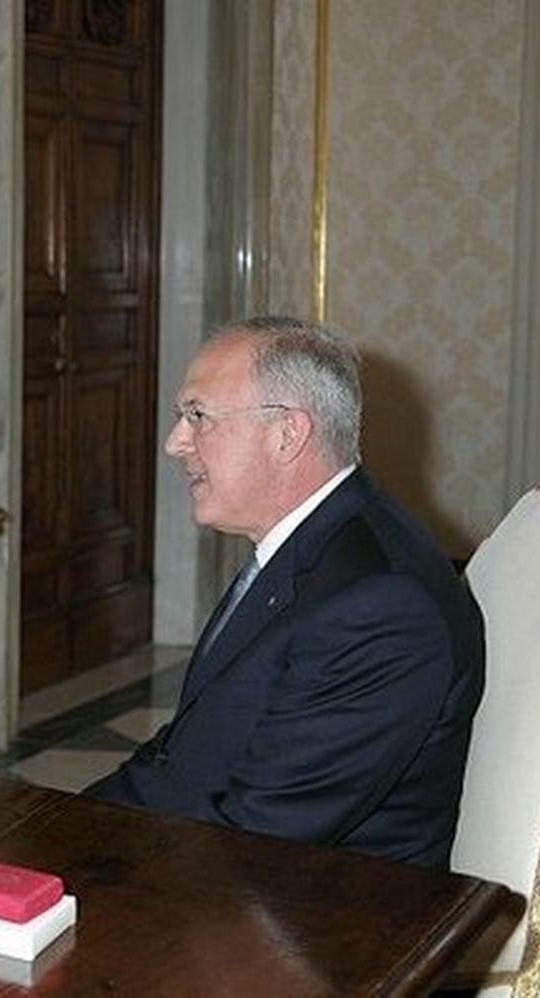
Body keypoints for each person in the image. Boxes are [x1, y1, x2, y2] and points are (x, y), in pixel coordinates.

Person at [85, 317, 483, 869]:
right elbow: (191, 749)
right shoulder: (320, 542)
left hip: (321, 918)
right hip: (237, 867)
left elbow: (262, 837)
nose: (175, 443)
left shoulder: (381, 605)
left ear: (288, 434)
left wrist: (82, 864)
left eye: (197, 416)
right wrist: (62, 826)